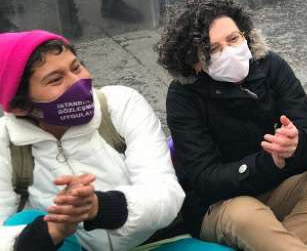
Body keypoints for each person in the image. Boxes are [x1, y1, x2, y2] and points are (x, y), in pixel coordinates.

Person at [156, 0, 307, 251]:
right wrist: (269, 161)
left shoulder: (270, 66)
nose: (229, 52)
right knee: (247, 215)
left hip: (275, 186)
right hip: (222, 204)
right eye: (213, 49)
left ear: (245, 35)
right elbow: (205, 179)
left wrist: (297, 143)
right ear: (194, 63)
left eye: (234, 39)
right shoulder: (183, 96)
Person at [0, 30, 200, 250]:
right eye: (55, 79)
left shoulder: (121, 105)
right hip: (71, 246)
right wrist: (51, 231)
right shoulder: (6, 143)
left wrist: (99, 207)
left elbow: (165, 192)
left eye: (76, 67)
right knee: (23, 222)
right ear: (20, 107)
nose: (78, 81)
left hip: (156, 242)